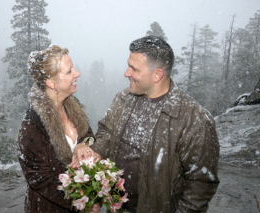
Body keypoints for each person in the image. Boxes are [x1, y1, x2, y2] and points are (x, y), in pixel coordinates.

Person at [71, 36, 220, 212]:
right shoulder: (123, 99)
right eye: (128, 65)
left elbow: (200, 185)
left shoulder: (194, 119)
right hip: (118, 208)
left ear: (157, 74)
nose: (126, 73)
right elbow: (107, 133)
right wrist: (96, 151)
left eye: (134, 69)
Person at [18, 45, 99, 213]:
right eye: (69, 71)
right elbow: (41, 180)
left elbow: (88, 135)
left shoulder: (72, 104)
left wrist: (82, 145)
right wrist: (81, 200)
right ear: (51, 82)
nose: (77, 73)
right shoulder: (32, 126)